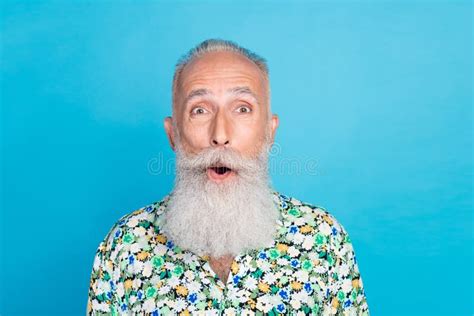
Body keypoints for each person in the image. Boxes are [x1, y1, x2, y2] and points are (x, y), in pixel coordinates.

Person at [87, 39, 370, 315]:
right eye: (199, 110)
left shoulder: (323, 239)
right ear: (173, 133)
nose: (220, 135)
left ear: (269, 131)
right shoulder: (125, 244)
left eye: (242, 108)